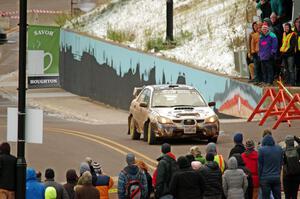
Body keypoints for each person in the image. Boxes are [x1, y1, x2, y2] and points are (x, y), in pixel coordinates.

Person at [258, 134, 283, 199]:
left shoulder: (261, 150)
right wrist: (278, 173)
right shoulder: (279, 149)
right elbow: (281, 163)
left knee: (266, 197)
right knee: (278, 197)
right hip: (276, 177)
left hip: (265, 177)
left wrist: (260, 178)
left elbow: (260, 166)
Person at [294, 17, 300, 85]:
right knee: (296, 67)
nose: (298, 23)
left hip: (299, 51)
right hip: (294, 51)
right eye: (297, 22)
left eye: (299, 22)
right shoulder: (293, 31)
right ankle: (296, 81)